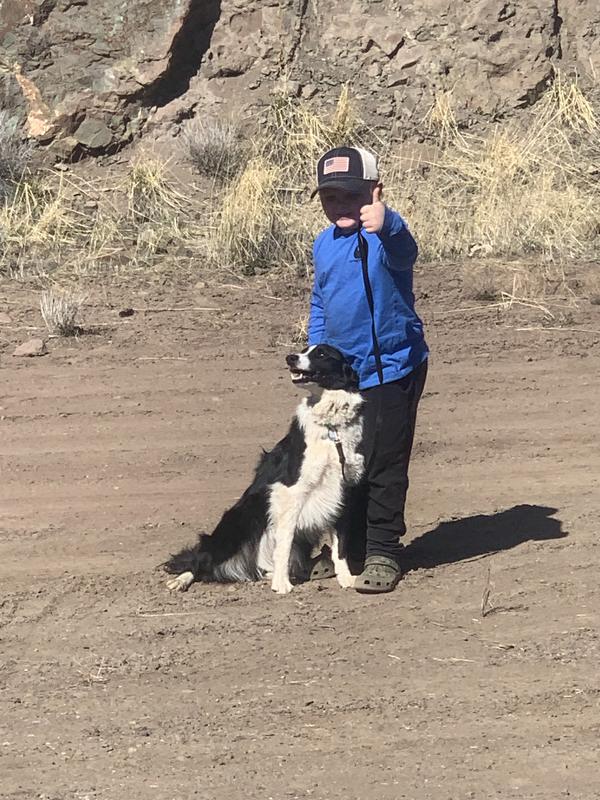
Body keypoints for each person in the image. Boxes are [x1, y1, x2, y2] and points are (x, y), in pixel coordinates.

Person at [307, 146, 428, 593]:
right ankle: (348, 549)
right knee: (345, 464)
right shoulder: (324, 244)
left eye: (352, 195)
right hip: (345, 378)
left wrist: (389, 222)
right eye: (330, 197)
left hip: (394, 368)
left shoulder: (385, 235)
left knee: (384, 462)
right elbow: (320, 300)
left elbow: (405, 251)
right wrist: (317, 351)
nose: (340, 205)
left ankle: (382, 551)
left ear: (374, 192)